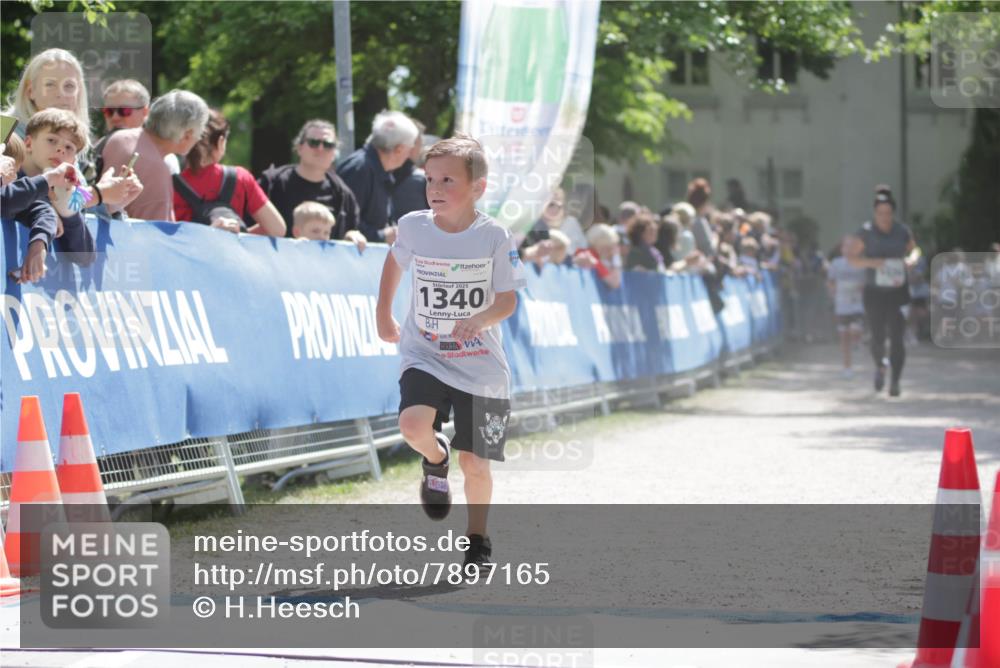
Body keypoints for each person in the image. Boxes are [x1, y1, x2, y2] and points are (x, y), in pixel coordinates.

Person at [375, 134, 525, 571]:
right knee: (411, 426)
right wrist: (383, 312)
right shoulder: (413, 226)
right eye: (430, 179)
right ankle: (434, 460)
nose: (435, 189)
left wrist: (480, 319)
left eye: (448, 180)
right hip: (427, 352)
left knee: (476, 462)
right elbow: (394, 262)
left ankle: (477, 540)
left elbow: (508, 300)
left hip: (483, 368)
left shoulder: (495, 235)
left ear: (478, 187)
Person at [846, 185, 919, 397]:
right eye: (880, 213)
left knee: (897, 337)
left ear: (893, 213)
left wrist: (911, 260)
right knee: (877, 336)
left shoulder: (902, 231)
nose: (884, 217)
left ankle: (895, 381)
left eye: (888, 213)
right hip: (875, 292)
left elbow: (915, 249)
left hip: (898, 291)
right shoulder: (866, 232)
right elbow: (852, 258)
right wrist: (872, 262)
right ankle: (880, 365)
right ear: (875, 213)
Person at [9, 110, 99, 277]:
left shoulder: (63, 192)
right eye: (51, 140)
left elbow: (86, 256)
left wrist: (67, 212)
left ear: (73, 161)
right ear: (28, 143)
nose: (60, 149)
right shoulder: (7, 174)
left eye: (69, 147)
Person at [173, 109, 285, 236]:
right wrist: (240, 234)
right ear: (220, 142)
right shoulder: (240, 177)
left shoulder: (171, 184)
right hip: (228, 255)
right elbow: (277, 229)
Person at [103, 89, 209, 221]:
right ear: (187, 135)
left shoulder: (119, 138)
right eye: (201, 130)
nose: (199, 138)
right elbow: (156, 235)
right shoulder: (158, 172)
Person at [257, 119, 363, 243]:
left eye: (328, 144)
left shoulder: (343, 194)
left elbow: (351, 231)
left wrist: (351, 236)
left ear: (334, 153)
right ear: (299, 147)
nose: (321, 148)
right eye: (314, 143)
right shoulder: (272, 183)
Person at [338, 110, 420, 243]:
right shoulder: (360, 169)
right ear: (399, 149)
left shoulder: (377, 169)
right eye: (409, 149)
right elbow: (344, 222)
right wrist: (382, 236)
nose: (409, 155)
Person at [827, 236, 867, 378]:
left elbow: (867, 283)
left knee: (854, 330)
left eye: (852, 247)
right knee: (844, 337)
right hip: (842, 304)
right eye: (846, 247)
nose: (849, 250)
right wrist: (833, 292)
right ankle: (847, 367)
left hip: (857, 303)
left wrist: (861, 288)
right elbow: (831, 281)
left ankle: (858, 339)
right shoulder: (836, 264)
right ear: (842, 249)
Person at [390, 120, 430, 218]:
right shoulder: (423, 180)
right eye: (420, 143)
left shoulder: (379, 172)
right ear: (412, 144)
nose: (421, 148)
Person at [574, 223, 623, 289]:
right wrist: (616, 257)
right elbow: (614, 283)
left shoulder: (596, 258)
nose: (610, 252)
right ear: (600, 245)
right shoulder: (588, 256)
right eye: (608, 247)